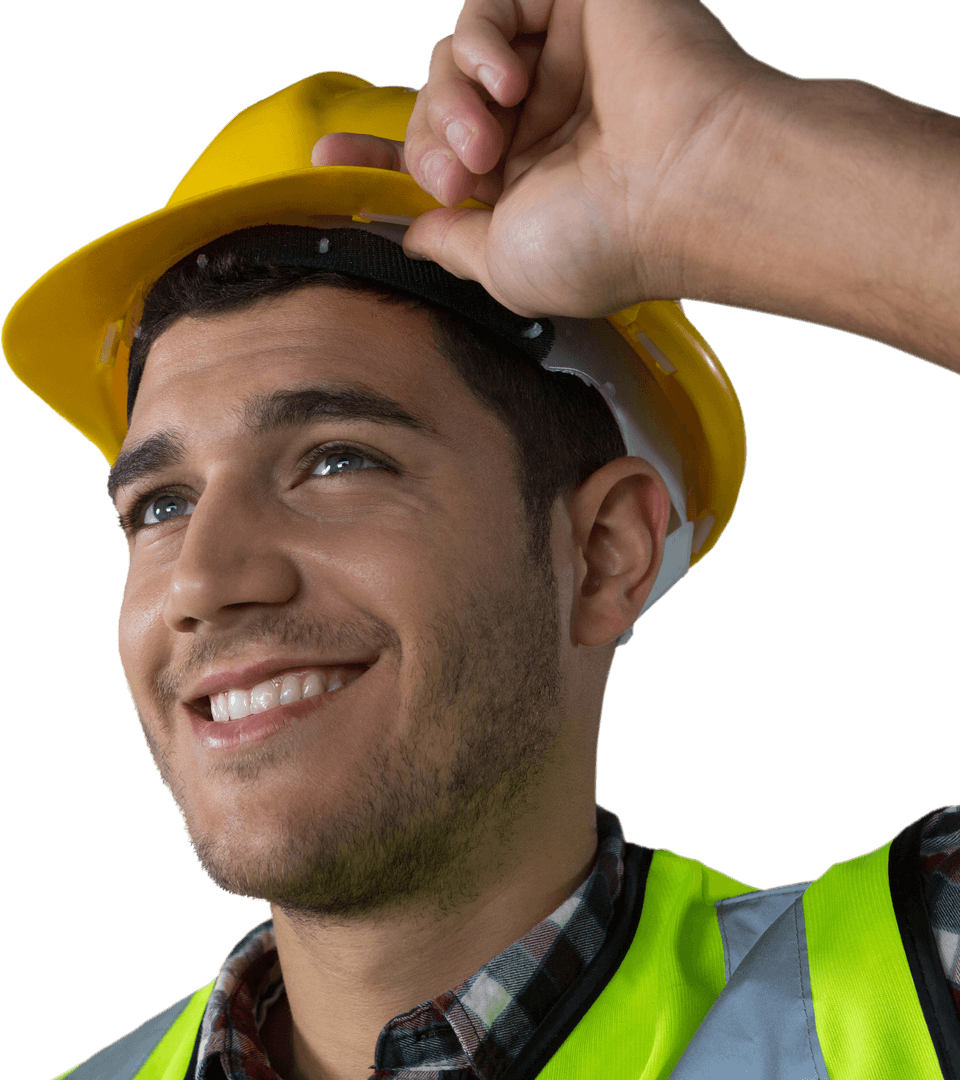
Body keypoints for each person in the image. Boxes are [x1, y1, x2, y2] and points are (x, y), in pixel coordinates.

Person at [2, 1, 957, 1079]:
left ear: (604, 555)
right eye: (160, 506)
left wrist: (733, 163)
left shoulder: (909, 1001)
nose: (206, 581)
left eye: (335, 460)